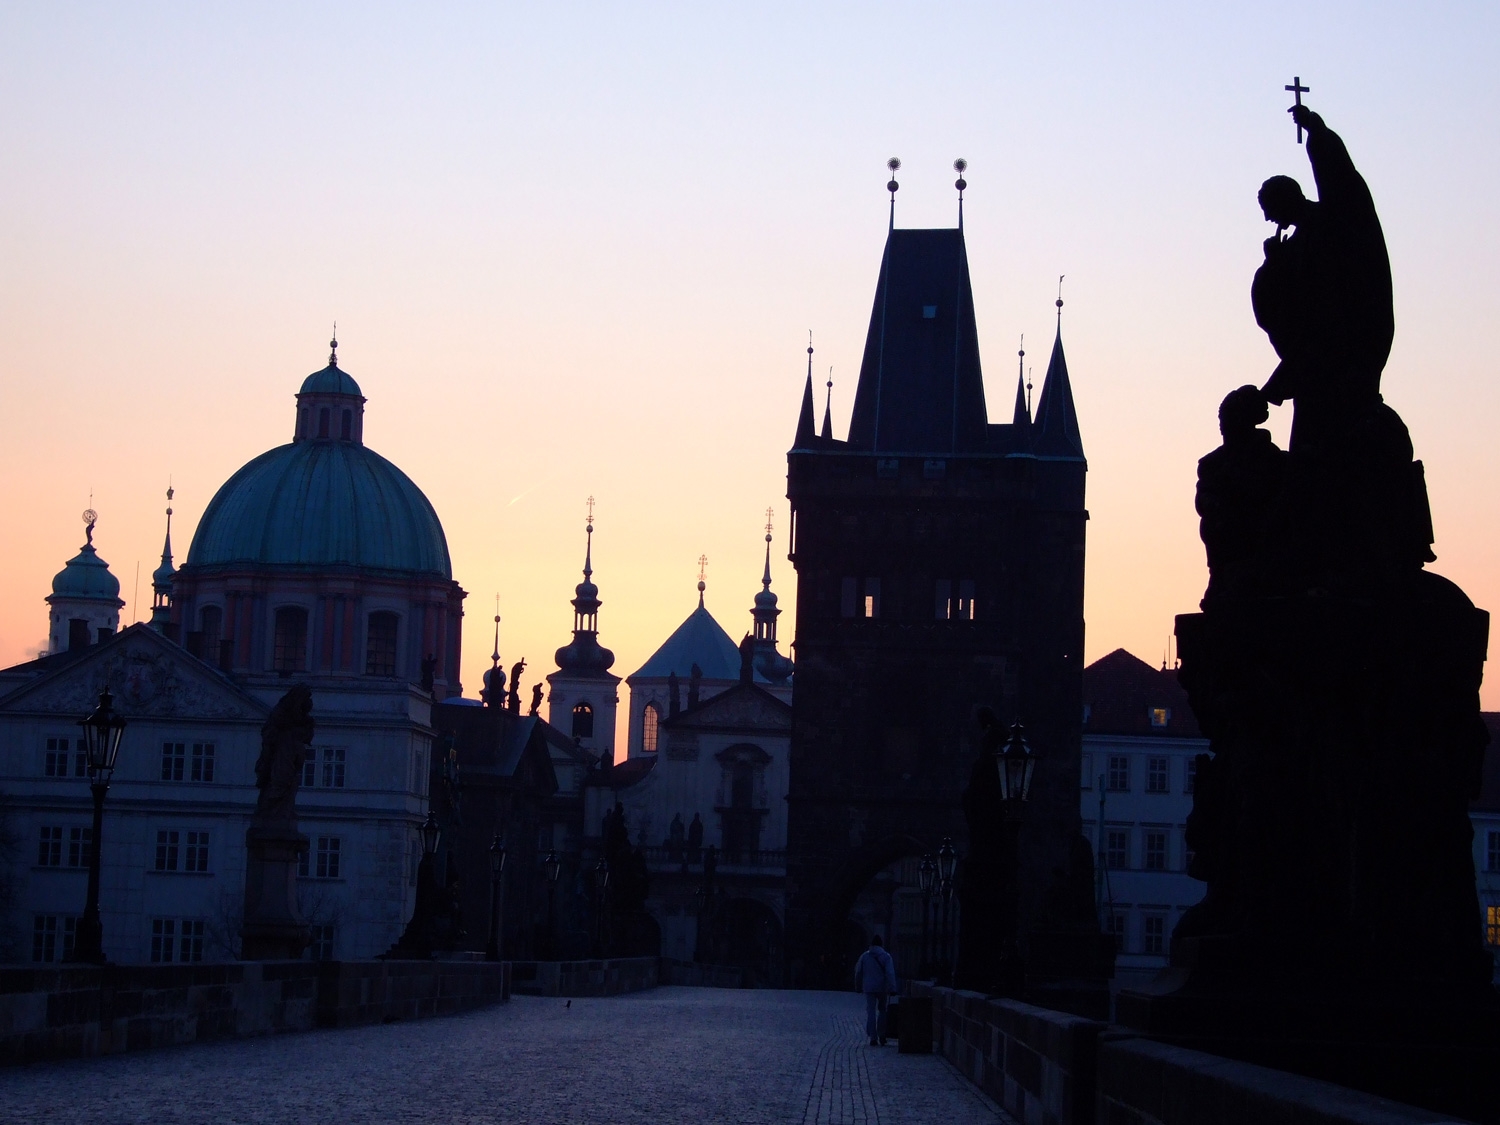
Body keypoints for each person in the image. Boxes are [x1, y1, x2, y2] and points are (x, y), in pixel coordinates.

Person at [854, 933, 898, 1046]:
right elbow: (890, 973)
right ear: (881, 944)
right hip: (882, 987)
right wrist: (892, 988)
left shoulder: (864, 956)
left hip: (868, 987)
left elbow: (858, 972)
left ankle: (873, 1037)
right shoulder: (886, 956)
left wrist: (858, 986)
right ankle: (882, 1035)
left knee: (871, 1011)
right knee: (882, 1010)